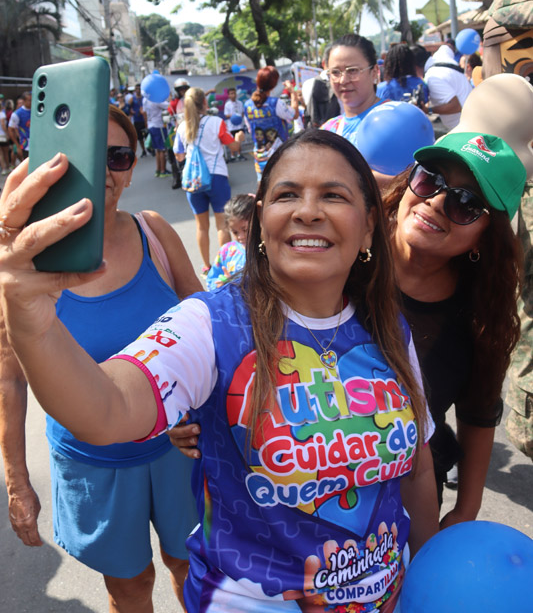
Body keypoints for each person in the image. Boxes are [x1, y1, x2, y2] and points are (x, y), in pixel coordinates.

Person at [0, 128, 439, 613]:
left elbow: (417, 467)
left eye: (333, 196)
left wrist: (431, 571)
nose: (308, 211)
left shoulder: (391, 327)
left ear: (370, 227)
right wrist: (32, 317)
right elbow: (107, 408)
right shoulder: (210, 323)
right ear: (260, 224)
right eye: (286, 194)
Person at [0, 105, 200, 613]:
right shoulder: (27, 263)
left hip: (179, 456)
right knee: (130, 588)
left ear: (133, 168)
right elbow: (9, 381)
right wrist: (18, 482)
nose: (104, 172)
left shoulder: (154, 231)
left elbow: (210, 330)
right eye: (88, 157)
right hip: (95, 469)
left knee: (194, 568)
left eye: (118, 157)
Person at [382, 130, 524, 518]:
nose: (436, 201)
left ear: (484, 238)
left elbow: (478, 410)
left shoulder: (479, 315)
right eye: (430, 178)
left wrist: (466, 507)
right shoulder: (349, 251)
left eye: (465, 203)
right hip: (305, 480)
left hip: (408, 498)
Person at [174, 86, 245, 277]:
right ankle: (226, 268)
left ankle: (206, 267)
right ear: (204, 103)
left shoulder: (182, 127)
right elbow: (234, 147)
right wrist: (239, 137)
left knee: (201, 226)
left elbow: (179, 156)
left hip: (193, 182)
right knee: (222, 225)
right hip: (216, 178)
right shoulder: (217, 122)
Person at [321, 34, 382, 145]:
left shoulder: (398, 119)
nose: (343, 80)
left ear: (374, 72)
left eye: (353, 71)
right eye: (335, 72)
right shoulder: (328, 132)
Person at [244, 65, 298, 181]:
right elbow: (295, 115)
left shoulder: (247, 105)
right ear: (273, 84)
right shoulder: (276, 103)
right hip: (278, 156)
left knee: (262, 187)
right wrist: (292, 92)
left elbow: (250, 129)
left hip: (260, 155)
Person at [205, 192, 255, 291]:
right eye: (235, 232)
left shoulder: (266, 250)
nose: (241, 237)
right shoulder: (226, 251)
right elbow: (212, 279)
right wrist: (221, 285)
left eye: (245, 230)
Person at [423, 43, 472, 131]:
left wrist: (428, 110)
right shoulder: (452, 69)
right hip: (468, 122)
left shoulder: (433, 75)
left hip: (463, 128)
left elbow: (455, 106)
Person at [143, 93, 170, 178]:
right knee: (162, 149)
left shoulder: (145, 99)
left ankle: (158, 170)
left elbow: (144, 112)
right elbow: (169, 106)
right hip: (159, 126)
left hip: (151, 125)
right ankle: (163, 171)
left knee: (157, 150)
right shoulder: (156, 100)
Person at [224, 87, 246, 161]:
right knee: (232, 141)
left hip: (239, 125)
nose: (233, 95)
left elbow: (242, 112)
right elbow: (226, 115)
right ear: (229, 95)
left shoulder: (240, 103)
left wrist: (239, 117)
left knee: (239, 140)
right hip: (232, 126)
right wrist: (234, 116)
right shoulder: (227, 104)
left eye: (234, 93)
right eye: (231, 93)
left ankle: (239, 154)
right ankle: (232, 155)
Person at [125, 83, 148, 157]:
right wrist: (131, 111)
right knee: (140, 137)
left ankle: (150, 148)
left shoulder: (144, 98)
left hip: (144, 119)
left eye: (139, 89)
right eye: (137, 89)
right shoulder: (132, 98)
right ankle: (144, 150)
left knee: (147, 135)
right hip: (137, 120)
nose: (138, 90)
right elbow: (128, 107)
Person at [8, 90, 31, 159]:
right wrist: (17, 145)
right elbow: (10, 129)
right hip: (26, 146)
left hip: (38, 144)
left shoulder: (37, 111)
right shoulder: (17, 114)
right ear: (24, 101)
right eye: (29, 100)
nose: (32, 102)